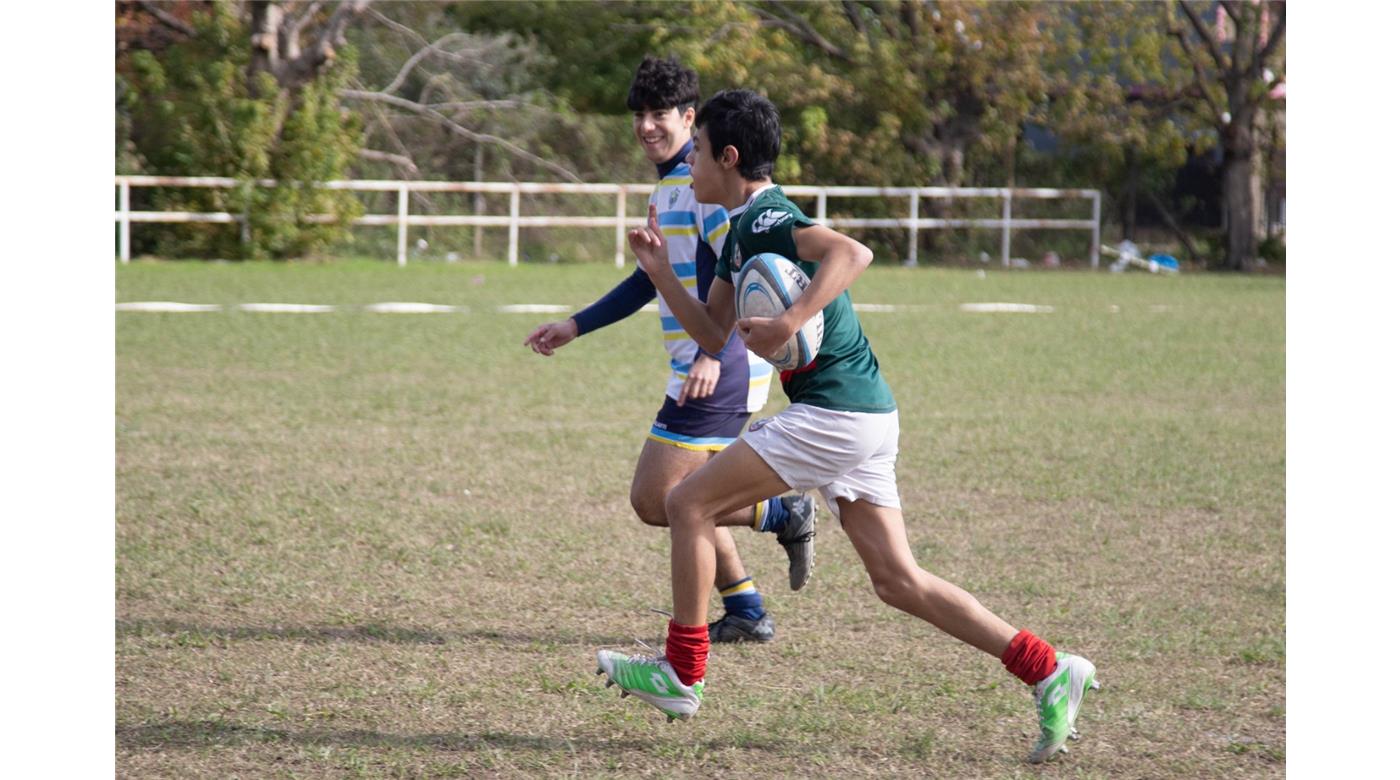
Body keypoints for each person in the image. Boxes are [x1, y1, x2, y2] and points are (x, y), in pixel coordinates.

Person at [595, 89, 1099, 764]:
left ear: (730, 157)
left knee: (687, 501)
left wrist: (791, 320)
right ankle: (1049, 668)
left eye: (701, 153)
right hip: (861, 413)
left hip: (834, 412)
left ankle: (681, 673)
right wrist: (661, 273)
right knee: (898, 581)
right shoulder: (740, 229)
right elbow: (715, 334)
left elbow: (851, 253)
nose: (690, 167)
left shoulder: (769, 215)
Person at [524, 57, 817, 644]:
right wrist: (577, 325)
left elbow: (732, 272)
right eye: (638, 115)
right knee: (696, 491)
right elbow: (649, 277)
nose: (646, 126)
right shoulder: (672, 183)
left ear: (689, 117)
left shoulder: (704, 182)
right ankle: (747, 609)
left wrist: (711, 354)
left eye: (660, 114)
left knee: (659, 498)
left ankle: (782, 513)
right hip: (706, 360)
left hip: (721, 364)